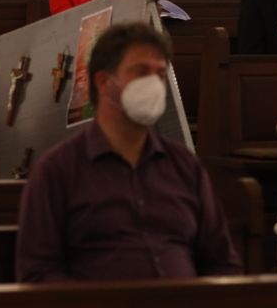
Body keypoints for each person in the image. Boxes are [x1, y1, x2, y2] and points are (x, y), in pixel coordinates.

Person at [16, 22, 241, 281]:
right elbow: (38, 274)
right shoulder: (57, 170)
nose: (154, 84)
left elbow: (222, 262)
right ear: (103, 81)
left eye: (159, 74)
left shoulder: (185, 166)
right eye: (141, 72)